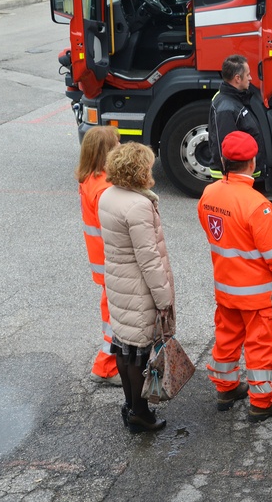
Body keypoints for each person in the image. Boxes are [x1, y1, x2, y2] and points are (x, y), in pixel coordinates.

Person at [197, 131, 272, 421]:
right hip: (257, 295)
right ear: (252, 162)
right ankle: (262, 401)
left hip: (226, 288)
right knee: (261, 346)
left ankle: (226, 389)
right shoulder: (257, 205)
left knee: (226, 339)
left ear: (224, 161)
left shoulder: (209, 194)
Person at [99, 142, 175, 433]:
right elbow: (149, 259)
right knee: (140, 353)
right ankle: (140, 414)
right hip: (139, 288)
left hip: (119, 283)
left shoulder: (108, 195)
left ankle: (130, 406)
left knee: (124, 347)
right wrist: (164, 297)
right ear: (139, 170)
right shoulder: (139, 205)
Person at [76, 126, 122, 385]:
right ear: (106, 152)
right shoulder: (105, 188)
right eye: (116, 144)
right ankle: (105, 367)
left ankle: (107, 364)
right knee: (116, 315)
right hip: (112, 260)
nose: (120, 148)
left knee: (112, 311)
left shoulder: (88, 179)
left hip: (100, 259)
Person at [209, 55, 266, 184]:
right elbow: (228, 149)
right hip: (236, 178)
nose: (251, 78)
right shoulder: (227, 109)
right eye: (248, 75)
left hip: (242, 175)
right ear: (237, 79)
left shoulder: (234, 99)